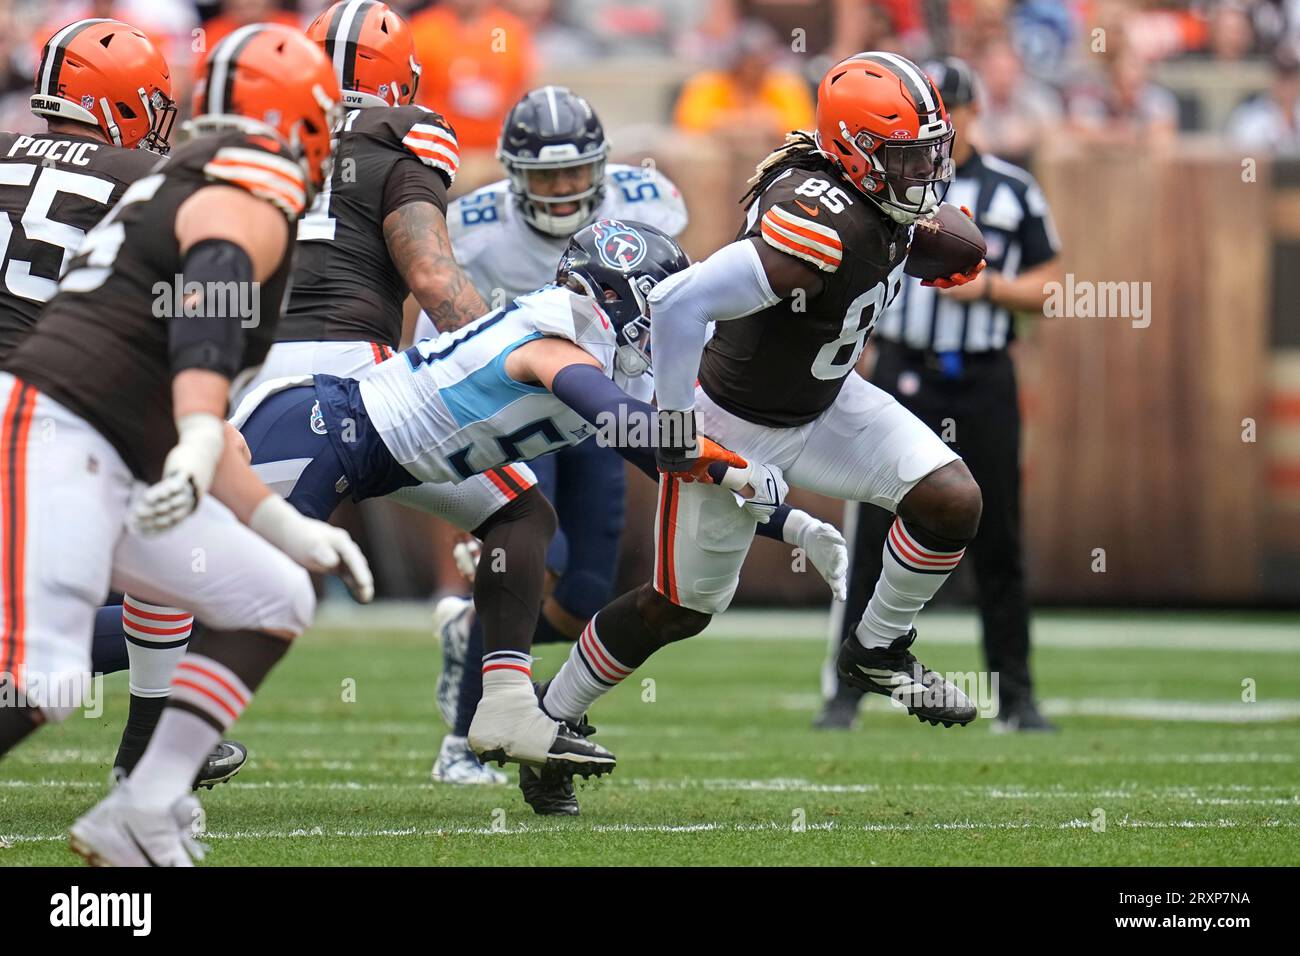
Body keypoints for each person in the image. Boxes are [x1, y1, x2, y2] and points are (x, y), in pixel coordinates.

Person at [535, 53, 988, 770]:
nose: (925, 174)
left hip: (829, 402)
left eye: (930, 154)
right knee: (677, 609)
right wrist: (676, 424)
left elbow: (895, 237)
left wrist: (921, 248)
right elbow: (680, 304)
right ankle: (549, 715)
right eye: (907, 158)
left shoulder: (878, 202)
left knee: (951, 498)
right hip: (736, 420)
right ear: (858, 153)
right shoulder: (816, 220)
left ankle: (876, 649)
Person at [90, 0, 491, 787]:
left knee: (193, 573)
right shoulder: (397, 134)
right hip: (345, 379)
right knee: (230, 585)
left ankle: (489, 713)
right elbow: (434, 279)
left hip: (206, 372)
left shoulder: (228, 155)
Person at [0, 23, 372, 867]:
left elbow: (186, 392)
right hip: (53, 425)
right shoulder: (236, 187)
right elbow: (206, 308)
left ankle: (143, 803)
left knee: (275, 595)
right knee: (47, 676)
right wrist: (204, 425)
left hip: (99, 436)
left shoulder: (180, 181)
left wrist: (282, 524)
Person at [417, 85, 689, 789]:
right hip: (514, 417)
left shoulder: (648, 202)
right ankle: (461, 741)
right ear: (515, 175)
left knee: (582, 600)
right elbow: (436, 342)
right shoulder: (475, 228)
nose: (564, 188)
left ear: (602, 166)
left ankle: (466, 640)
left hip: (593, 412)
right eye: (546, 175)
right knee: (531, 560)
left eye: (575, 172)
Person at [815, 56, 1062, 733]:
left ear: (974, 112)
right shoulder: (885, 183)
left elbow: (1051, 287)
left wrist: (984, 285)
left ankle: (1016, 694)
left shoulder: (1013, 188)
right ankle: (847, 689)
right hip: (900, 366)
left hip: (982, 373)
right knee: (871, 528)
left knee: (999, 535)